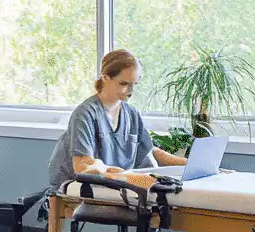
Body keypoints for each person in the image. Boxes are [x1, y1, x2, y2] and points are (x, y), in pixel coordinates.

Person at [47, 49, 187, 192]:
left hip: (117, 187)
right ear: (105, 78)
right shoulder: (85, 114)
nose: (131, 91)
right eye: (124, 84)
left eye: (135, 84)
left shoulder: (132, 114)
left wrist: (187, 164)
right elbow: (83, 168)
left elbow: (148, 152)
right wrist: (127, 177)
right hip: (75, 190)